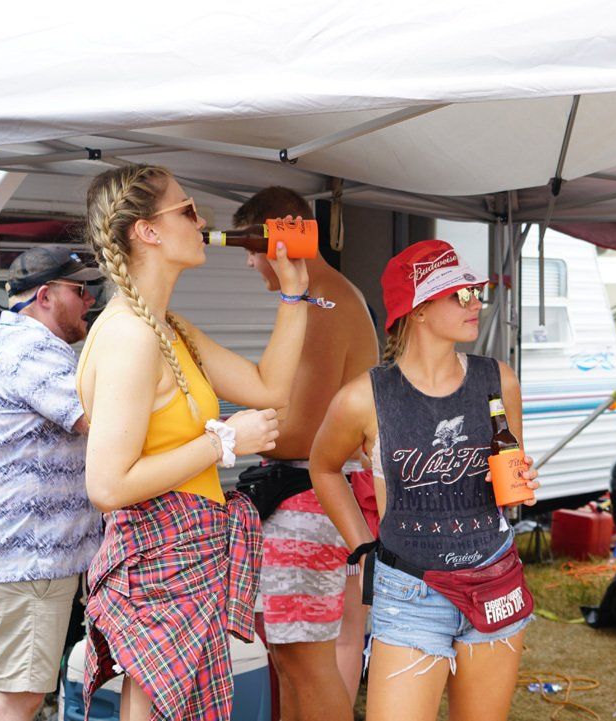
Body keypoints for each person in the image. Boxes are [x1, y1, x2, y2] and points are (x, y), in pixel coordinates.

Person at [77, 164, 309, 721]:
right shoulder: (132, 337)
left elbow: (268, 387)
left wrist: (295, 294)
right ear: (147, 232)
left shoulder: (167, 327)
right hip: (159, 555)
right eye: (187, 210)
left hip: (190, 555)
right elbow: (107, 485)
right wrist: (225, 441)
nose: (202, 221)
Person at [310, 240, 540, 721]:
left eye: (476, 291)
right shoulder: (364, 398)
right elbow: (324, 467)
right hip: (411, 591)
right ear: (416, 309)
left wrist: (521, 477)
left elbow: (509, 473)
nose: (475, 302)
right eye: (459, 294)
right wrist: (363, 547)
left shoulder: (500, 380)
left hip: (495, 577)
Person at [234, 187, 379, 721]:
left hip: (310, 497)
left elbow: (306, 431)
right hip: (324, 496)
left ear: (280, 234)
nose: (251, 262)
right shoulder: (328, 294)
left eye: (252, 247)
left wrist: (228, 435)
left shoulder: (321, 300)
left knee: (303, 659)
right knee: (298, 659)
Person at [0, 246, 103, 721]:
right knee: (19, 697)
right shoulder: (32, 352)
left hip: (23, 558)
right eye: (82, 290)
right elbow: (104, 423)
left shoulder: (11, 346)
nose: (91, 300)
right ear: (45, 296)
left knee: (22, 692)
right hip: (28, 559)